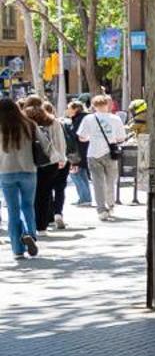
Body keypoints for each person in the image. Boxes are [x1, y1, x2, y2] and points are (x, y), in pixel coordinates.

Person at [0, 98, 39, 259]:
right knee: (28, 205)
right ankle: (30, 233)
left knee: (12, 209)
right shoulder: (29, 124)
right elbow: (43, 144)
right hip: (28, 170)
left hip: (6, 171)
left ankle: (17, 248)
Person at [77, 94, 126, 219]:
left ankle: (101, 210)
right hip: (110, 153)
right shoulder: (115, 119)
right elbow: (121, 138)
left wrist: (91, 137)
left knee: (97, 182)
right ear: (107, 105)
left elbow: (82, 137)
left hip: (93, 153)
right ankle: (110, 205)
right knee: (110, 181)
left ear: (93, 106)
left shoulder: (88, 119)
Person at [23, 97, 67, 232]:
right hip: (49, 162)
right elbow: (60, 141)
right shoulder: (52, 121)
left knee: (29, 195)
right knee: (45, 193)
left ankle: (30, 224)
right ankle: (42, 225)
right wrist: (61, 158)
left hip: (27, 162)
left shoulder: (23, 121)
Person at [63, 99, 90, 209]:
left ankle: (85, 198)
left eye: (69, 108)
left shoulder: (79, 119)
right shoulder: (84, 117)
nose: (67, 111)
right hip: (84, 150)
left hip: (78, 151)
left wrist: (68, 128)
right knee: (81, 174)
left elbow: (75, 134)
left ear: (76, 109)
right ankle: (85, 197)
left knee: (76, 174)